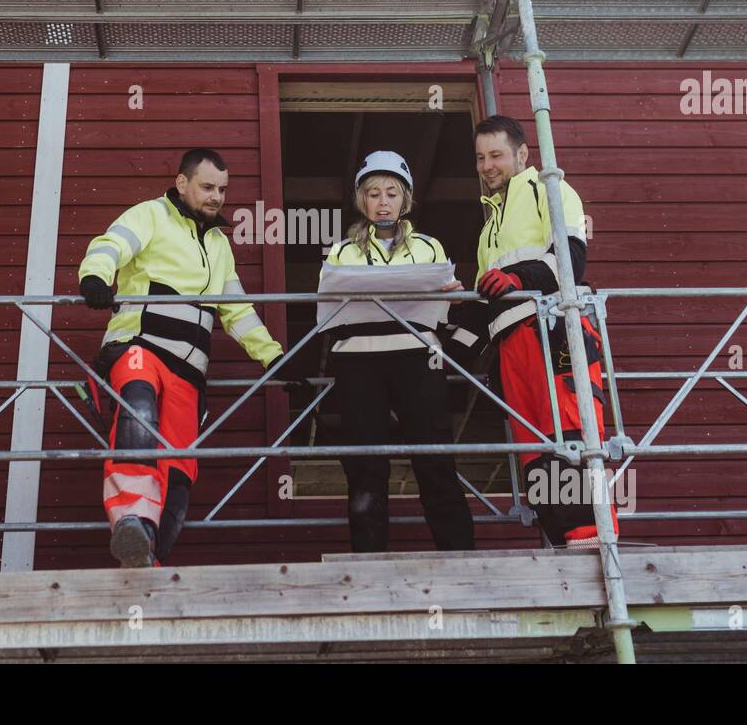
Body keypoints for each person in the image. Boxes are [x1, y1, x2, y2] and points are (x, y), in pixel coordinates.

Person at [78, 148, 286, 567]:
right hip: (140, 349)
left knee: (178, 466)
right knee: (138, 411)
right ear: (182, 183)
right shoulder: (150, 215)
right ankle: (131, 521)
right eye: (208, 187)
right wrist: (95, 276)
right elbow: (112, 244)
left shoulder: (219, 244)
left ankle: (148, 557)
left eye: (223, 190)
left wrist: (276, 358)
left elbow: (237, 311)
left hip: (189, 376)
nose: (216, 197)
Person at [465, 116, 616, 549]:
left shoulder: (548, 188)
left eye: (496, 155)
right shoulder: (489, 224)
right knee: (533, 447)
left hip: (553, 329)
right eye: (480, 157)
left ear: (522, 154)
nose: (488, 165)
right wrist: (441, 348)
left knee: (572, 432)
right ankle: (560, 542)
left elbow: (571, 258)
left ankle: (592, 544)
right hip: (510, 343)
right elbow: (485, 299)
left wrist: (518, 278)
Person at [320, 150, 475, 553]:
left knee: (434, 458)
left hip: (418, 360)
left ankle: (459, 556)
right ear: (363, 201)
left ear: (405, 199)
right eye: (373, 193)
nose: (383, 201)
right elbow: (328, 311)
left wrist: (455, 300)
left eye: (391, 192)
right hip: (358, 362)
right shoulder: (341, 252)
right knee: (365, 463)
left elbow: (445, 312)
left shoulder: (429, 247)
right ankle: (370, 562)